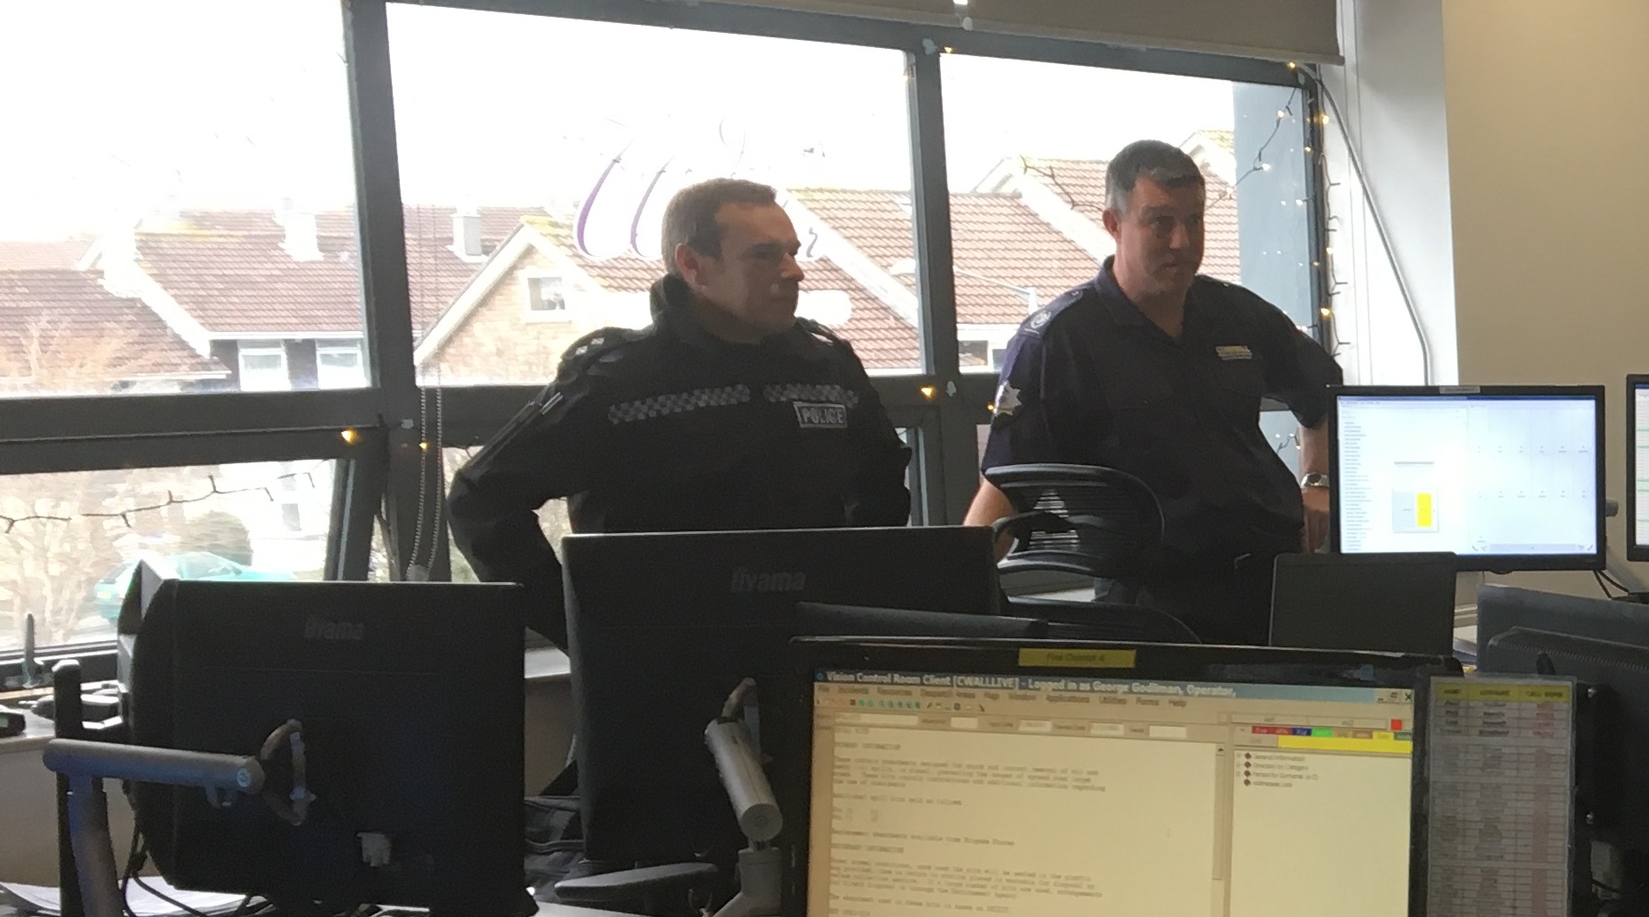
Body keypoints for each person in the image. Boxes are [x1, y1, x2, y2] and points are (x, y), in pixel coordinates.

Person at [450, 176, 909, 641]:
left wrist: (852, 595)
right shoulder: (616, 382)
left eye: (792, 252)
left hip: (809, 646)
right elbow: (481, 499)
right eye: (765, 255)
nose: (794, 272)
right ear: (693, 265)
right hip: (662, 657)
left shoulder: (829, 369)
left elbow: (882, 483)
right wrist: (579, 626)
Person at [964, 138, 1337, 641]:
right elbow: (1006, 486)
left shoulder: (1236, 312)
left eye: (1194, 220)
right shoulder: (1059, 341)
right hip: (1153, 604)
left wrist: (1318, 483)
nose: (1182, 241)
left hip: (1273, 582)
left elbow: (1324, 393)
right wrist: (957, 603)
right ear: (1114, 223)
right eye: (1161, 222)